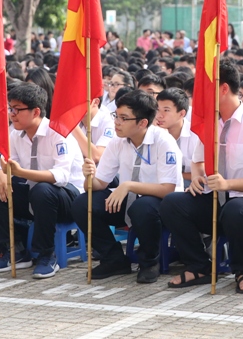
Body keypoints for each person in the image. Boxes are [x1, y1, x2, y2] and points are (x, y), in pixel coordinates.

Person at [160, 60, 243, 294]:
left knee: (237, 209)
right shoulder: (209, 122)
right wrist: (195, 177)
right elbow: (197, 161)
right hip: (218, 200)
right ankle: (200, 266)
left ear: (223, 89)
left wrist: (228, 184)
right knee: (172, 203)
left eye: (206, 89)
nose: (200, 96)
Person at [71, 90, 182, 282]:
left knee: (143, 206)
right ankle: (113, 258)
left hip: (161, 206)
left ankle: (149, 261)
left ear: (142, 123)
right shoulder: (117, 142)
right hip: (129, 201)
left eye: (124, 118)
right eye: (116, 116)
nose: (116, 122)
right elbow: (100, 183)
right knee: (83, 202)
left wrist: (129, 185)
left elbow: (167, 189)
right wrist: (89, 177)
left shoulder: (164, 141)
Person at [0, 83, 85, 279]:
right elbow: (4, 165)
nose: (12, 114)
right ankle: (14, 251)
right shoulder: (16, 134)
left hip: (68, 198)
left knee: (43, 190)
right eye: (10, 108)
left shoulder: (58, 132)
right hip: (36, 195)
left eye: (17, 110)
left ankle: (47, 254)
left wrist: (22, 172)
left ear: (36, 111)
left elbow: (61, 177)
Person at [155, 88, 201, 183]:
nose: (159, 115)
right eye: (157, 110)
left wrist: (171, 176)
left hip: (189, 184)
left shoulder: (196, 135)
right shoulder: (153, 133)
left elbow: (202, 175)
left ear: (181, 113)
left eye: (166, 110)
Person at [70, 95, 116, 163]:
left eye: (80, 101)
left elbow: (97, 157)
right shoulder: (75, 120)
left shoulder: (108, 122)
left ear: (95, 102)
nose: (75, 104)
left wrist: (72, 126)